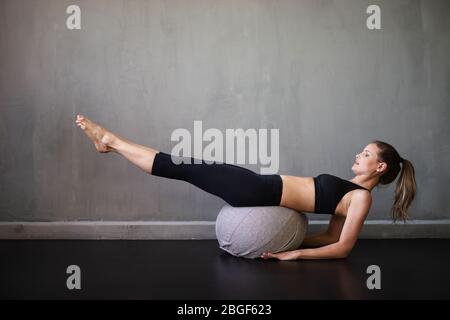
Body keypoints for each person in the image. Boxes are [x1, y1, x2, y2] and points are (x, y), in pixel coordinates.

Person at [75, 115, 417, 260]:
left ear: (381, 167)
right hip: (260, 186)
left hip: (257, 192)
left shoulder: (360, 198)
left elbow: (341, 246)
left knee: (179, 165)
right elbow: (328, 236)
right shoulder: (352, 188)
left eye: (367, 154)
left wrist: (294, 252)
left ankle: (110, 142)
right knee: (182, 165)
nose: (360, 154)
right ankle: (110, 143)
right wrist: (296, 239)